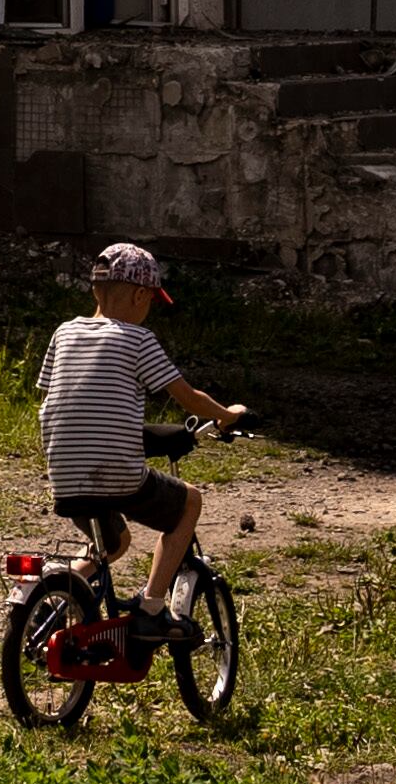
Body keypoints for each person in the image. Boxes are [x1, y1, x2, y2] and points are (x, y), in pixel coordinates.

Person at [36, 243, 246, 629]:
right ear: (138, 295)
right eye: (150, 301)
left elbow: (64, 402)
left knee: (114, 545)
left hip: (64, 476)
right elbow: (187, 396)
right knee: (189, 503)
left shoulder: (63, 334)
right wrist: (225, 414)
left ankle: (56, 591)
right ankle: (151, 607)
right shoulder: (138, 340)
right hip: (117, 476)